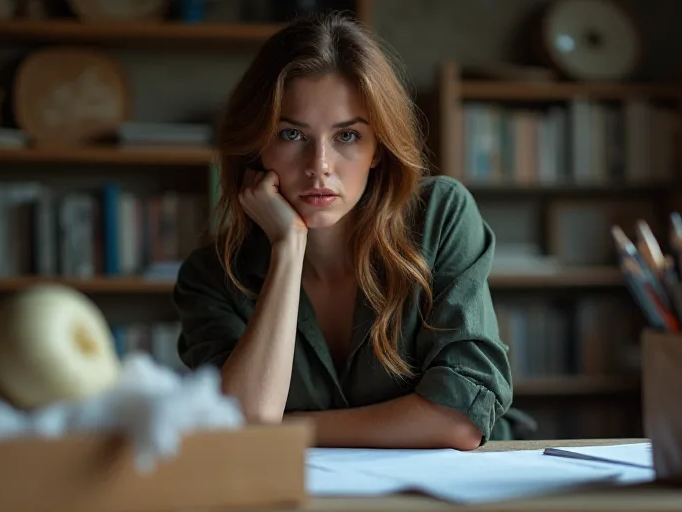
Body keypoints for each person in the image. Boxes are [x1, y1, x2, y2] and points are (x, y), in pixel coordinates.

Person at [173, 11, 513, 450]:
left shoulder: (439, 216)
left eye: (347, 136)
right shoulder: (211, 278)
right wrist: (287, 249)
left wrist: (287, 428)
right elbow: (243, 426)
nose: (319, 167)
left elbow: (459, 420)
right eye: (292, 135)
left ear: (378, 148)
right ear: (258, 145)